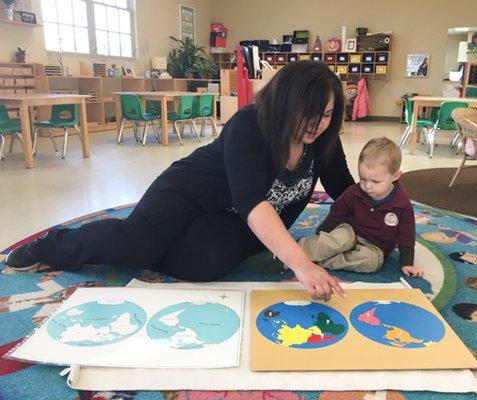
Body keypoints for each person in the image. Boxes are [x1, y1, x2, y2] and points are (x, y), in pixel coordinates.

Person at [5, 61, 355, 302]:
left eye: (326, 114)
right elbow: (253, 202)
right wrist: (301, 263)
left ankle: (158, 244)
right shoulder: (250, 125)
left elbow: (345, 190)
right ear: (284, 104)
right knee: (136, 246)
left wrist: (387, 206)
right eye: (308, 113)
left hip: (233, 216)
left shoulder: (322, 138)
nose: (318, 123)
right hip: (190, 191)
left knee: (205, 265)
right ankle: (56, 243)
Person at [297, 137, 423, 277]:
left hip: (374, 247)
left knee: (372, 262)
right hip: (349, 232)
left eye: (375, 181)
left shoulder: (402, 205)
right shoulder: (354, 192)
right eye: (363, 178)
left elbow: (407, 235)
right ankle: (295, 252)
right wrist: (324, 233)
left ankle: (322, 262)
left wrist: (407, 262)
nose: (368, 186)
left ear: (396, 176)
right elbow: (337, 213)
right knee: (336, 240)